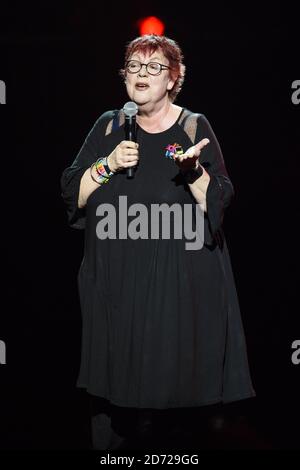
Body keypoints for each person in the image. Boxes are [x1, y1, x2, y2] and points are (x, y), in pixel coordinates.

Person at [60, 34, 255, 450]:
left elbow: (221, 197)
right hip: (116, 292)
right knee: (113, 419)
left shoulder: (193, 126)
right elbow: (71, 193)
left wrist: (194, 173)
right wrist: (107, 163)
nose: (141, 74)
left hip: (177, 296)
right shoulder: (109, 125)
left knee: (174, 417)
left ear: (173, 78)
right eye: (133, 66)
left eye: (153, 67)